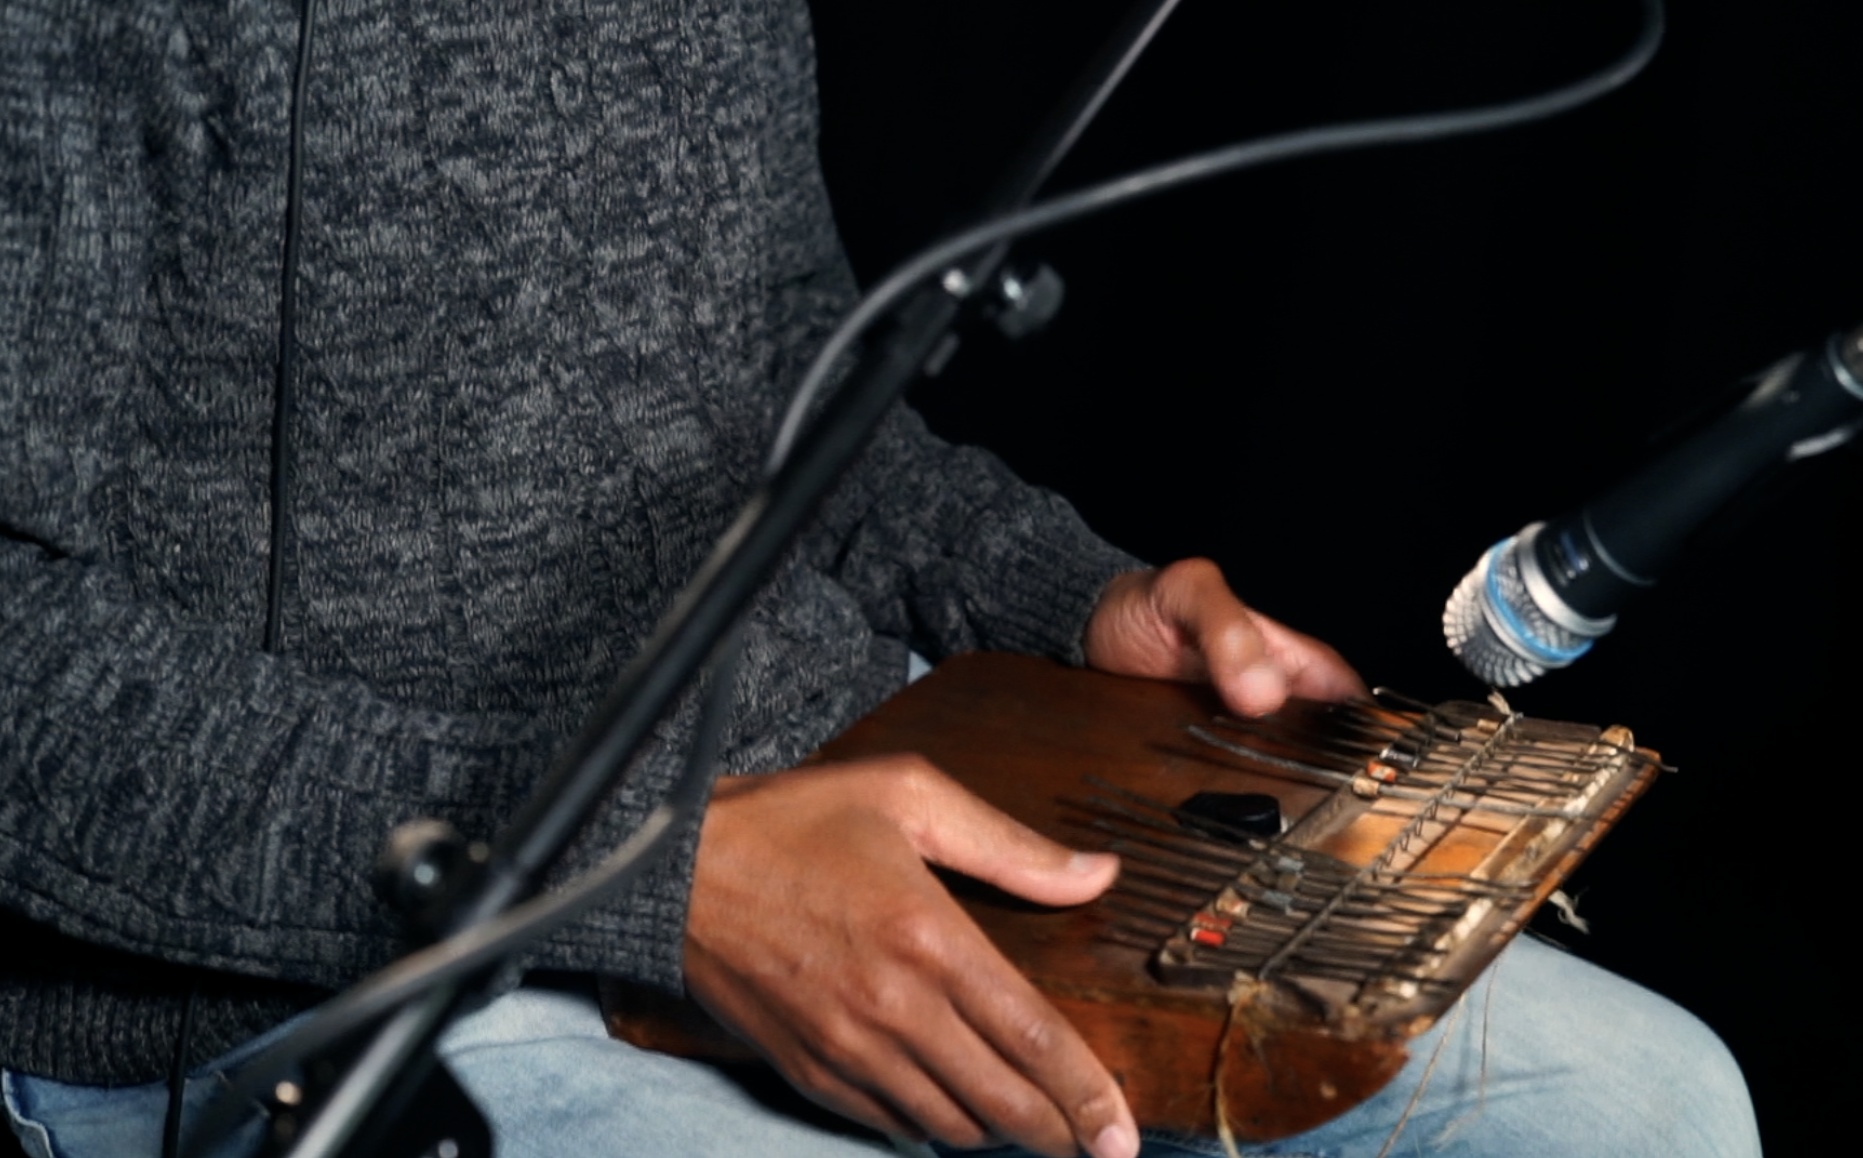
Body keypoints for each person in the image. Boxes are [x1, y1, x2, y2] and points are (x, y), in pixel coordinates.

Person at [0, 2, 1758, 1156]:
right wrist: (649, 874)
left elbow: (784, 383)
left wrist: (1059, 595)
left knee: (1649, 1108)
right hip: (309, 982)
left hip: (843, 809)